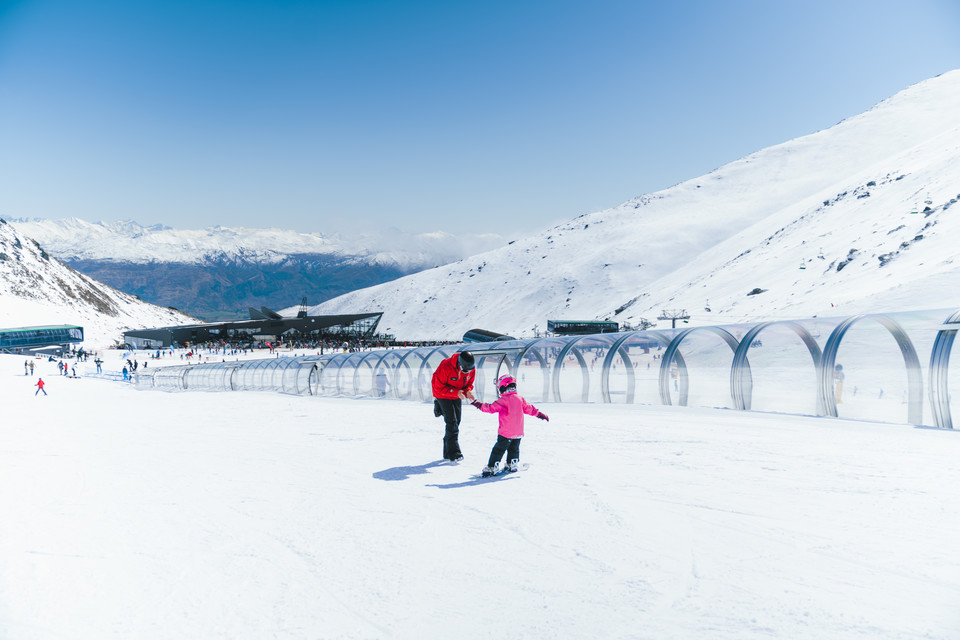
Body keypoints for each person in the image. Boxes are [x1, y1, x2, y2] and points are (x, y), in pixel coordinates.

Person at [469, 374, 548, 477]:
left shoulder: (504, 400)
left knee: (499, 449)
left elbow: (490, 408)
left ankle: (492, 467)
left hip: (505, 432)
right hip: (518, 432)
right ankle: (512, 464)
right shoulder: (520, 399)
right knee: (514, 448)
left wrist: (477, 404)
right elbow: (530, 409)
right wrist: (540, 415)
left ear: (502, 387)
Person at [431, 351, 476, 461]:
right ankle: (454, 453)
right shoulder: (445, 366)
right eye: (465, 370)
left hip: (457, 394)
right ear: (460, 365)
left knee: (457, 421)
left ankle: (447, 453)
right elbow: (438, 388)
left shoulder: (470, 368)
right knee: (452, 422)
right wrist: (455, 392)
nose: (468, 372)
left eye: (470, 370)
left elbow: (468, 383)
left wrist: (468, 391)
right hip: (442, 394)